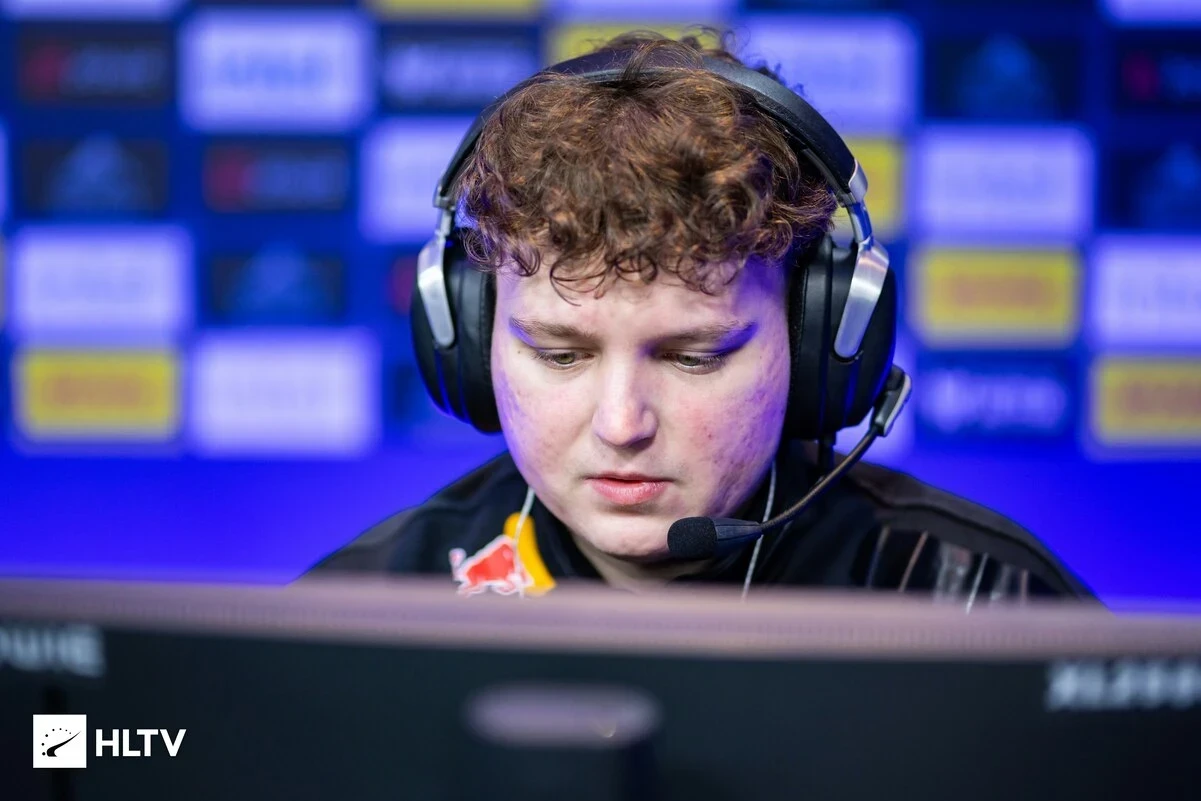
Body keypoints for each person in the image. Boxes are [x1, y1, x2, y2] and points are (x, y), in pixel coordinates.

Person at [306, 33, 1094, 605]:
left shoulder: (982, 602)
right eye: (558, 353)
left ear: (816, 346)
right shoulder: (362, 612)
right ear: (470, 343)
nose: (621, 424)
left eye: (694, 356)